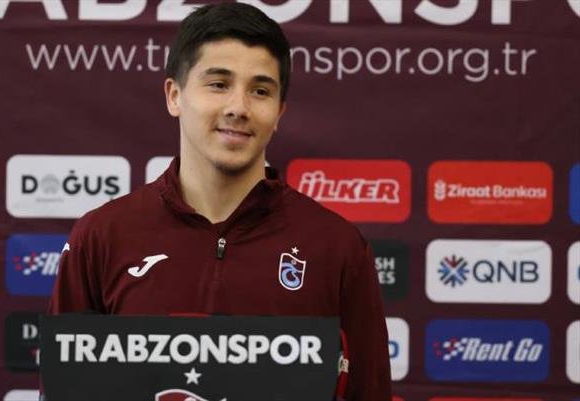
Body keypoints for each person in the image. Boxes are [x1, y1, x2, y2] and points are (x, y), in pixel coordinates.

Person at [47, 3, 391, 399]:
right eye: (218, 84)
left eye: (260, 91)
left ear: (279, 112)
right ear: (174, 95)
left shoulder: (336, 247)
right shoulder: (102, 236)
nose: (238, 108)